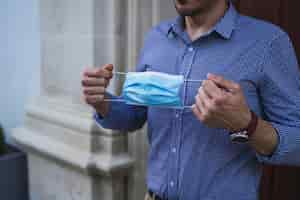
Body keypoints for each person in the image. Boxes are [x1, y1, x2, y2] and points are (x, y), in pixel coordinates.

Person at [81, 0, 300, 199]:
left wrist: (247, 124)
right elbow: (135, 116)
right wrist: (103, 102)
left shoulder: (267, 43)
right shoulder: (156, 37)